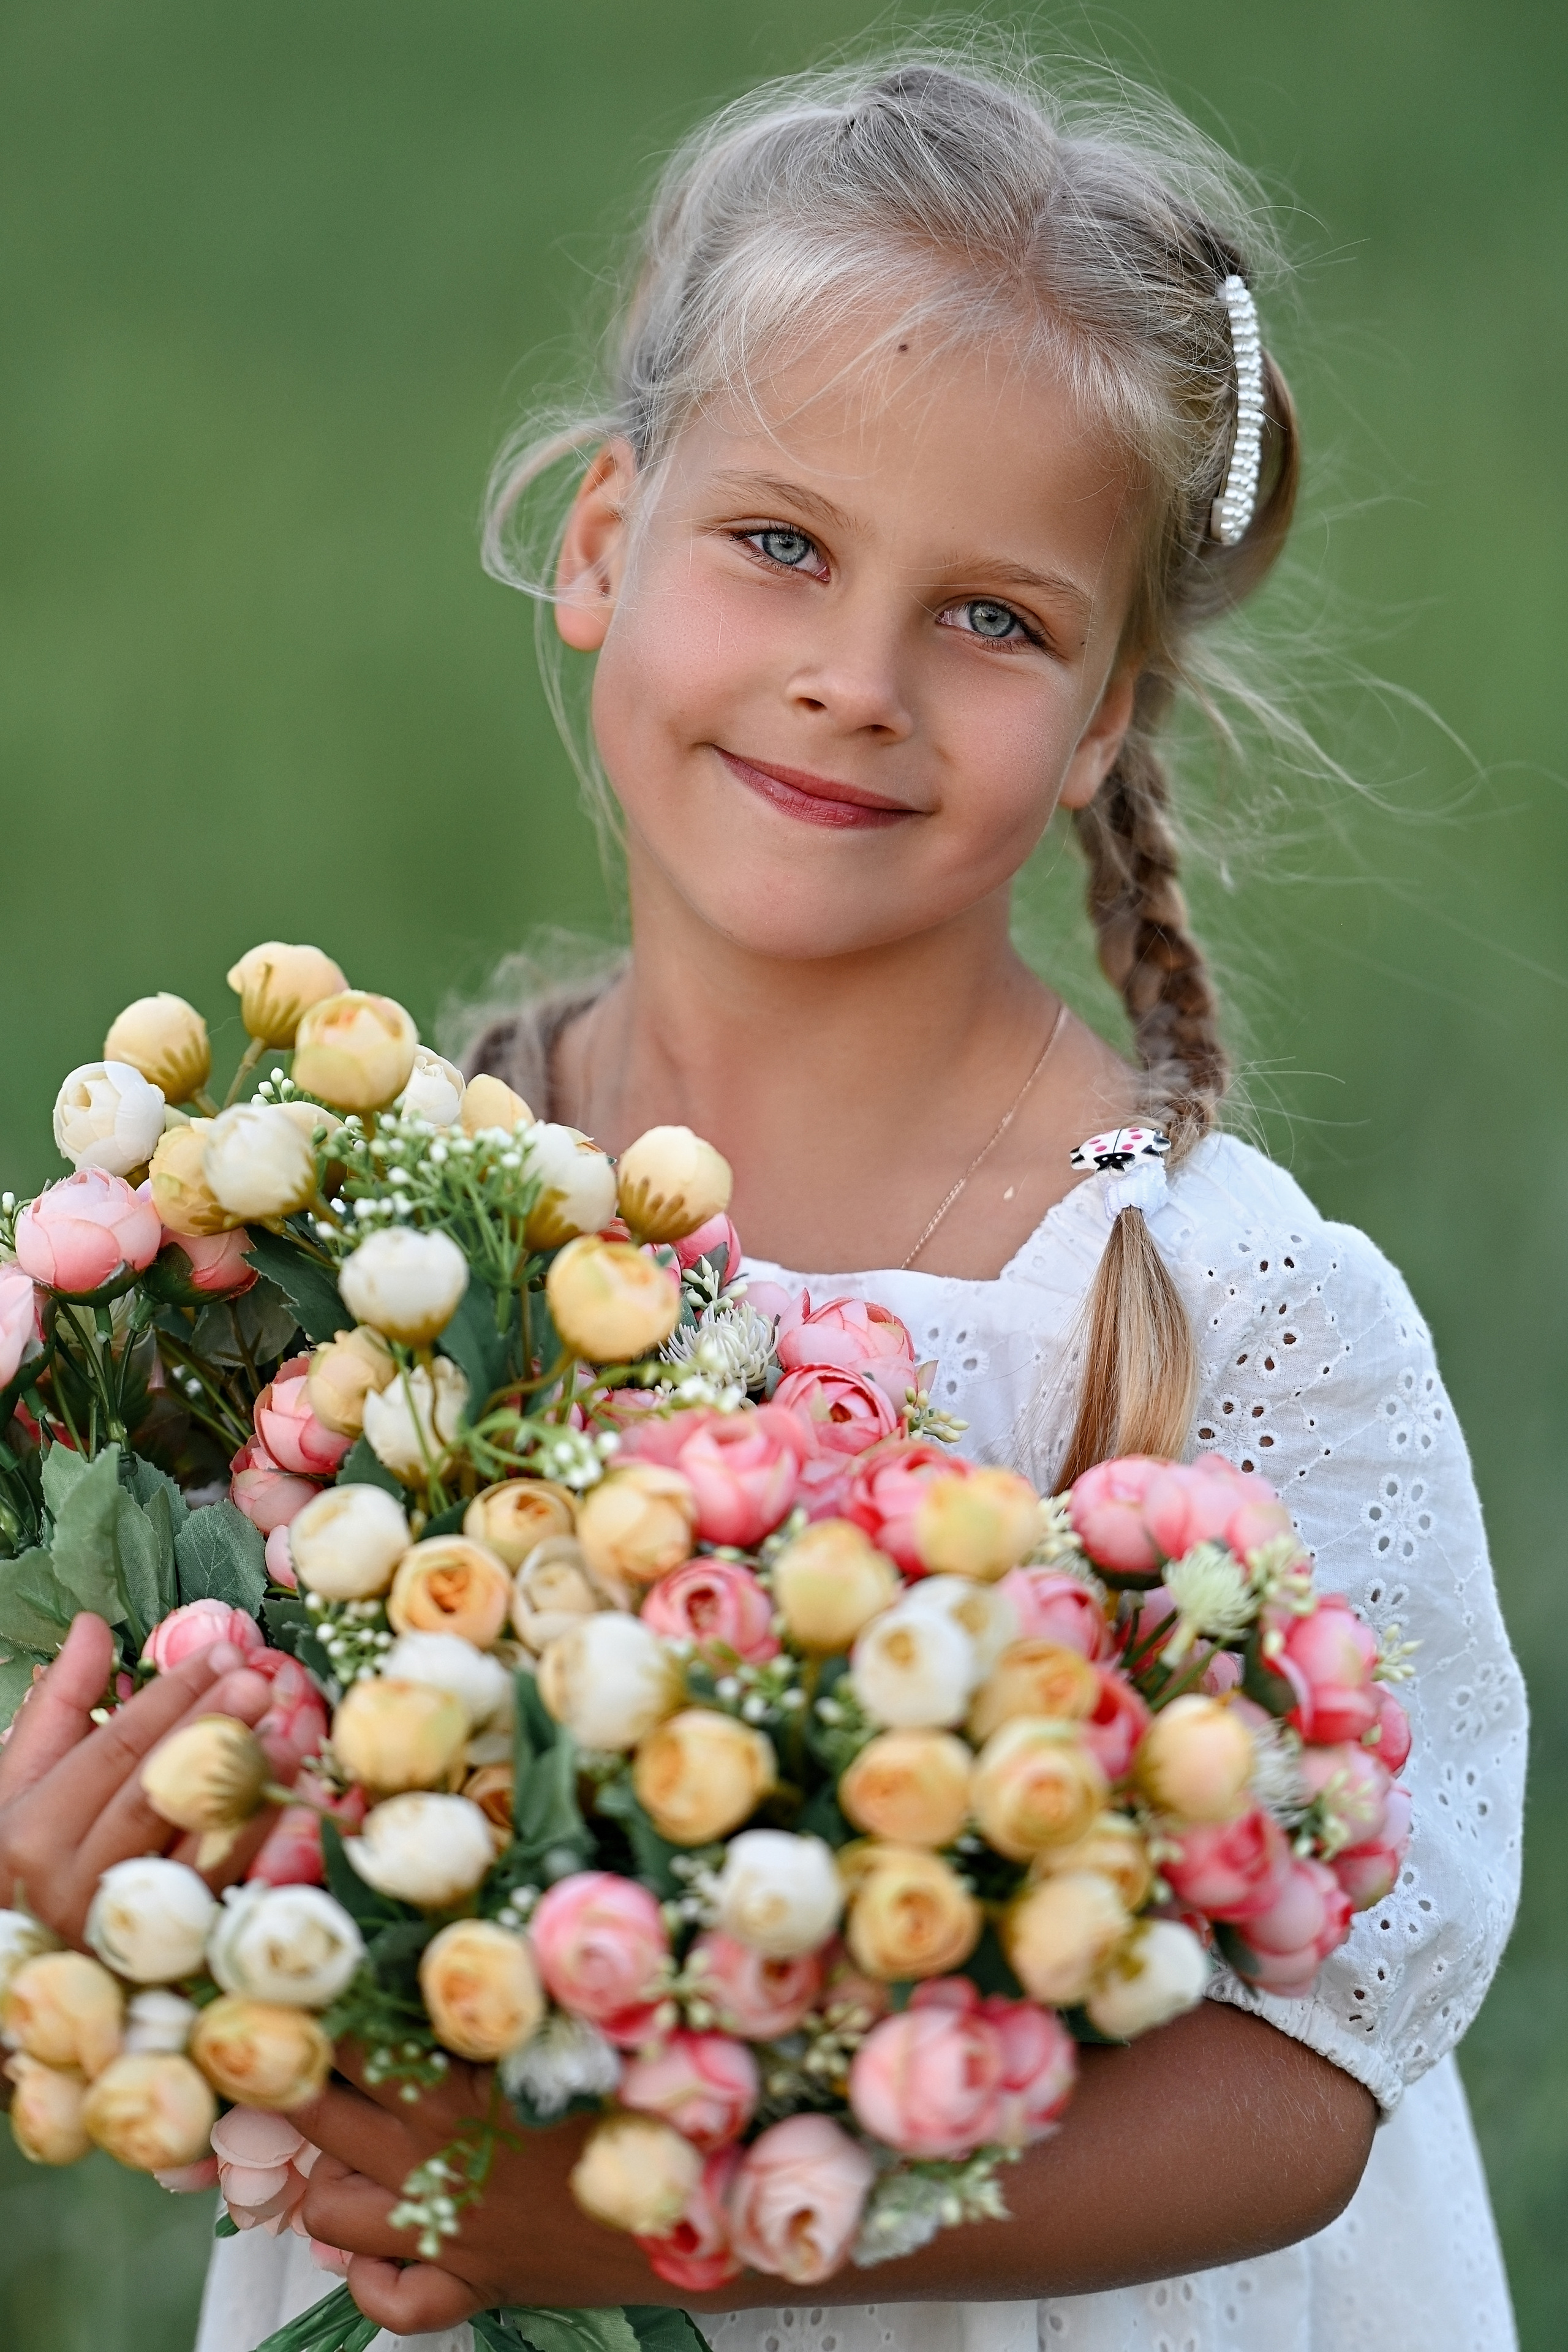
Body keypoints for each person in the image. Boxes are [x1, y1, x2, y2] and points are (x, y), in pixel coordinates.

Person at [0, 51, 1526, 2352]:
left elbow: (1322, 2071)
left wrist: (677, 2234)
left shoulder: (1230, 1307)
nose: (854, 680)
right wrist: (77, 1888)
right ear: (608, 543)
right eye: (784, 546)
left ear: (1109, 715)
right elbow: (189, 1814)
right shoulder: (341, 1243)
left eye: (993, 621)